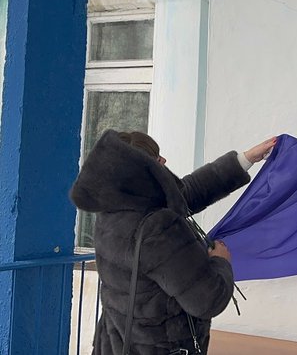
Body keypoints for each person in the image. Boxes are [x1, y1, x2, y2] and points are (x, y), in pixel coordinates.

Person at [70, 130, 277, 354]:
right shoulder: (157, 229)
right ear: (142, 173)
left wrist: (245, 159)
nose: (164, 161)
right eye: (157, 160)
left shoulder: (113, 211)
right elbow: (208, 300)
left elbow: (187, 193)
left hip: (118, 343)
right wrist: (221, 261)